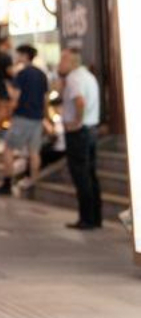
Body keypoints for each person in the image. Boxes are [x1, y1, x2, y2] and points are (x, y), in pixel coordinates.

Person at [0, 45, 48, 196]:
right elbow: (45, 99)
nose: (16, 57)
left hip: (22, 116)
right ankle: (34, 182)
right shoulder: (41, 74)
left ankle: (7, 183)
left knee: (8, 149)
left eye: (18, 54)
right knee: (34, 152)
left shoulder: (21, 74)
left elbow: (15, 98)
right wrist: (45, 117)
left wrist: (9, 110)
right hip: (37, 117)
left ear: (24, 56)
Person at [59, 48, 101, 229]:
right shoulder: (88, 76)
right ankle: (95, 217)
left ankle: (87, 219)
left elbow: (80, 102)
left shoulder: (74, 78)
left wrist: (77, 121)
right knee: (90, 174)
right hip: (91, 129)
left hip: (79, 132)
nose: (61, 63)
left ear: (71, 61)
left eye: (63, 59)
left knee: (81, 175)